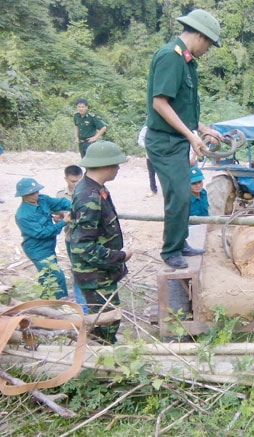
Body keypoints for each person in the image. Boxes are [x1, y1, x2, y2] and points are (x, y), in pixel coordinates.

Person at [145, 9, 223, 269]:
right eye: (209, 44)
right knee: (179, 194)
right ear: (200, 36)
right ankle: (170, 251)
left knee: (184, 194)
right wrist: (191, 136)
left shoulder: (187, 62)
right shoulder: (171, 57)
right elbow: (160, 104)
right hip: (164, 142)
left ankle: (180, 242)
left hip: (178, 139)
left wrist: (202, 129)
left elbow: (182, 109)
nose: (208, 50)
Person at [70, 141, 132, 344]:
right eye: (116, 164)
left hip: (101, 270)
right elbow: (83, 247)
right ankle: (101, 363)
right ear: (107, 166)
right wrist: (121, 256)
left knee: (106, 318)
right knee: (106, 321)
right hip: (95, 273)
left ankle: (101, 354)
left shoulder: (95, 189)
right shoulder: (90, 196)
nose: (119, 168)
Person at [15, 178, 71, 299]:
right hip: (37, 249)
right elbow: (42, 233)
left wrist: (75, 207)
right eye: (31, 193)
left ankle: (46, 302)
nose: (35, 195)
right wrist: (62, 223)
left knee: (47, 277)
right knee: (56, 276)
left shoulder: (42, 200)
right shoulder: (22, 215)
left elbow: (60, 202)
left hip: (49, 246)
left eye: (36, 191)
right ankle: (62, 304)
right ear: (23, 195)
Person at [56, 165, 88, 314]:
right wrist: (60, 219)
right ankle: (83, 307)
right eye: (72, 181)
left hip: (88, 239)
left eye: (78, 180)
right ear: (65, 179)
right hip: (71, 239)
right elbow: (57, 217)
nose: (76, 184)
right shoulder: (60, 195)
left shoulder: (88, 191)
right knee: (77, 270)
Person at [137, 124, 158, 198]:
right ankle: (153, 190)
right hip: (150, 154)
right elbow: (140, 141)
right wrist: (148, 146)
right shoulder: (146, 128)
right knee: (151, 174)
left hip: (161, 154)